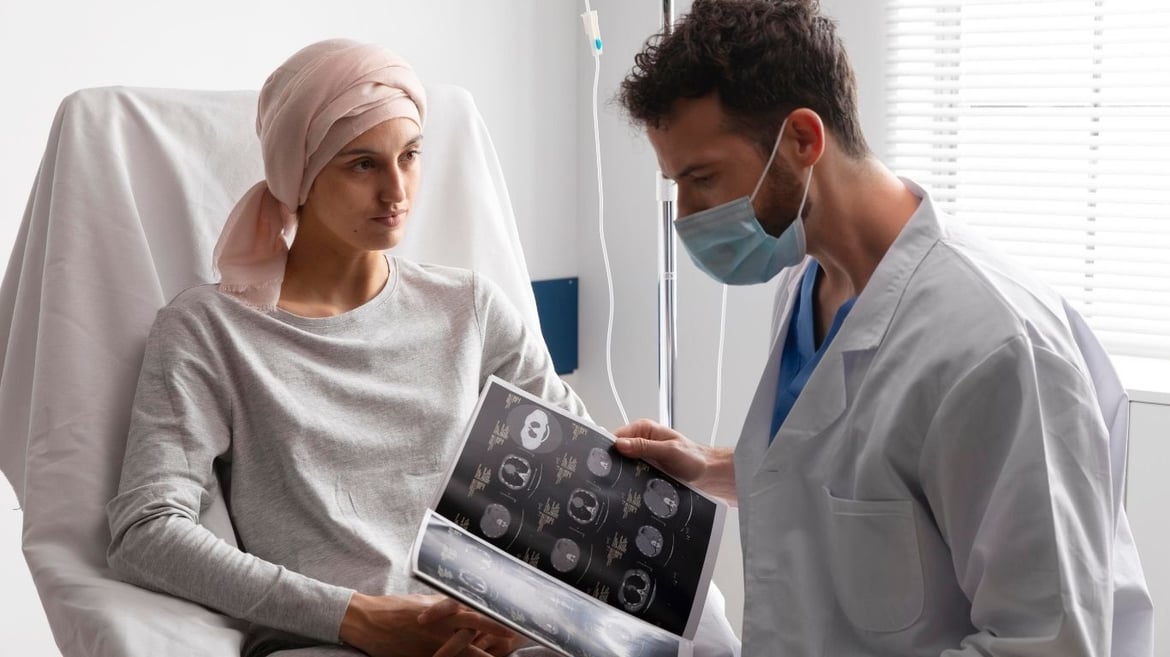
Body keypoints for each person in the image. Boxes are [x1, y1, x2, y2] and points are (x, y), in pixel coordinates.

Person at [611, 1, 1154, 656]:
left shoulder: (994, 348)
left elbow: (1048, 643)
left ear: (804, 141)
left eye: (701, 179)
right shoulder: (807, 280)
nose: (687, 217)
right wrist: (715, 466)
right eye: (676, 186)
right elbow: (850, 472)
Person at [105, 39, 584, 657]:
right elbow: (144, 532)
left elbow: (582, 478)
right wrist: (357, 618)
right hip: (331, 643)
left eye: (409, 156)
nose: (397, 191)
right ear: (297, 175)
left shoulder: (470, 308)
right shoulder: (209, 330)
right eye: (362, 164)